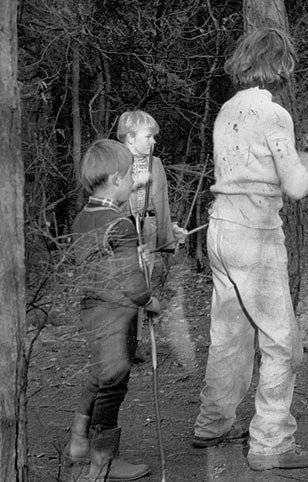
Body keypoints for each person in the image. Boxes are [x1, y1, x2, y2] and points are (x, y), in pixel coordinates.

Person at [192, 24, 308, 471]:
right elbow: (295, 186)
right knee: (281, 340)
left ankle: (213, 424)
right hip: (254, 233)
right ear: (280, 64)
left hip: (220, 230)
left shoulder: (227, 110)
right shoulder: (273, 114)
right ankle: (272, 443)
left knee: (229, 336)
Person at [66, 139, 161, 481]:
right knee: (114, 382)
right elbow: (131, 282)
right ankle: (103, 461)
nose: (133, 185)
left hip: (91, 309)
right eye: (130, 179)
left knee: (100, 373)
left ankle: (78, 437)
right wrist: (150, 301)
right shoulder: (119, 226)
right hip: (116, 314)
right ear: (116, 179)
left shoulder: (82, 218)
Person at [116, 110, 187, 362]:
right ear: (130, 138)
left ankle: (134, 346)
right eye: (149, 136)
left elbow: (162, 203)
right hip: (124, 235)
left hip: (149, 231)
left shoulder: (156, 164)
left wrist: (170, 233)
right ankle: (121, 348)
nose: (154, 142)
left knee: (143, 285)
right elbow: (109, 202)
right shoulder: (115, 163)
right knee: (126, 288)